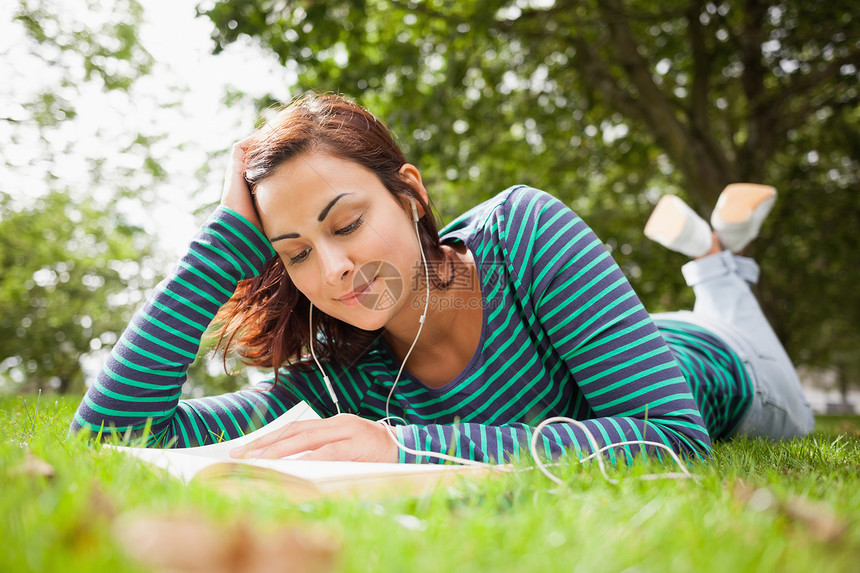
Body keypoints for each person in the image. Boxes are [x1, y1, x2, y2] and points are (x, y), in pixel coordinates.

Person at [70, 94, 813, 465]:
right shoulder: (337, 381)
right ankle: (708, 246)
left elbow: (673, 438)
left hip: (730, 368)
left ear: (411, 195)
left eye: (347, 222)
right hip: (641, 342)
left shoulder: (524, 234)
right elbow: (116, 433)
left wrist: (402, 446)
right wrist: (224, 246)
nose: (334, 271)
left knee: (729, 306)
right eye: (294, 252)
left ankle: (715, 260)